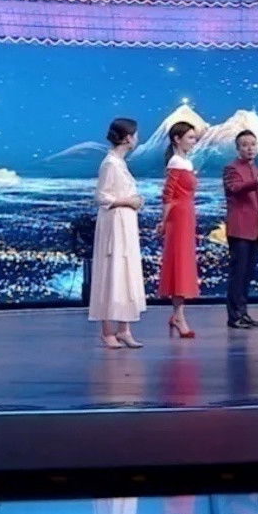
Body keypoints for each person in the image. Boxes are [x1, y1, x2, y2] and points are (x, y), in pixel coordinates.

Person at [89, 118, 146, 349]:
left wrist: (134, 201)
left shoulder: (120, 163)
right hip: (114, 223)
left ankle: (124, 329)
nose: (137, 138)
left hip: (125, 223)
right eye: (136, 134)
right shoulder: (110, 164)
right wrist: (128, 201)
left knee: (125, 272)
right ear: (128, 137)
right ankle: (107, 331)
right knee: (111, 270)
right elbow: (101, 196)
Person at [222, 130, 258, 329]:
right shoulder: (231, 169)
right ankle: (234, 316)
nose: (250, 148)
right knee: (238, 274)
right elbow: (236, 188)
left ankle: (243, 313)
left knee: (247, 274)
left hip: (254, 228)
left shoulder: (257, 169)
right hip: (239, 229)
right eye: (245, 145)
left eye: (253, 144)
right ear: (238, 148)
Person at [157, 121, 200, 339]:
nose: (194, 141)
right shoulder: (176, 163)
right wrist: (163, 221)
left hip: (186, 215)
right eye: (190, 137)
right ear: (177, 139)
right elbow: (168, 194)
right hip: (179, 217)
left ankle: (177, 315)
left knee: (183, 263)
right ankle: (179, 316)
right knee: (180, 265)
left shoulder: (185, 163)